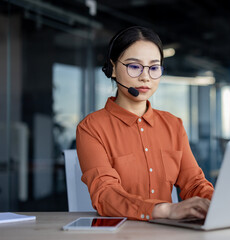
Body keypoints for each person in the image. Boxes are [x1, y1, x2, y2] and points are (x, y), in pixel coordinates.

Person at [76, 26, 214, 221]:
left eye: (154, 67)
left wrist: (219, 204)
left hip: (167, 231)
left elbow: (194, 184)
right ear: (113, 68)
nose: (145, 77)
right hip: (122, 232)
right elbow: (105, 194)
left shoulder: (173, 125)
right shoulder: (91, 128)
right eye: (134, 66)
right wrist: (165, 210)